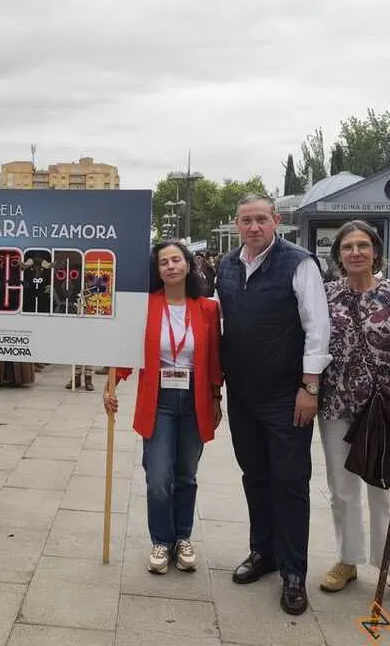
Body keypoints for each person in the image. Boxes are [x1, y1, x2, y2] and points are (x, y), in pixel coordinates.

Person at [214, 194, 331, 616]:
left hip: (287, 396)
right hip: (243, 394)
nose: (253, 227)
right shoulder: (227, 266)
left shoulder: (298, 263)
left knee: (290, 482)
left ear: (276, 221)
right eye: (246, 220)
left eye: (261, 219)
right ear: (237, 222)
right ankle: (262, 552)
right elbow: (219, 324)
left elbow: (318, 328)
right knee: (255, 476)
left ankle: (294, 571)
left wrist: (310, 387)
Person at [317, 220, 390, 615]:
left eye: (363, 245)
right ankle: (347, 559)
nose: (356, 252)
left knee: (384, 490)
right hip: (335, 405)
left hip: (384, 406)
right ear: (339, 254)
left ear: (376, 252)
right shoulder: (325, 294)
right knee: (342, 489)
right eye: (348, 246)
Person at [105, 240, 222, 574]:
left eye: (176, 260)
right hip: (158, 400)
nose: (170, 267)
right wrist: (112, 383)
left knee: (186, 474)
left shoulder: (207, 309)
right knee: (158, 477)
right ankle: (161, 540)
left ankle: (182, 537)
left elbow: (213, 357)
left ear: (188, 264)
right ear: (156, 271)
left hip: (195, 398)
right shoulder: (146, 306)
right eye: (163, 263)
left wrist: (216, 398)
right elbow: (131, 350)